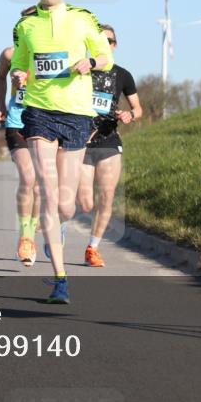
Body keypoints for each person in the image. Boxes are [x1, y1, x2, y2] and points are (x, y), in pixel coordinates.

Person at [11, 0, 112, 303]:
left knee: (66, 205)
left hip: (77, 113)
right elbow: (20, 60)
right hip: (39, 112)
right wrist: (18, 74)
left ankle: (53, 223)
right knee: (49, 194)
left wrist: (92, 62)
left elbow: (105, 56)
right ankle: (60, 278)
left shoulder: (84, 19)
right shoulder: (25, 26)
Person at [76, 24, 142, 267]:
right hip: (82, 141)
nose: (106, 44)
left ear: (115, 45)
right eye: (101, 40)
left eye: (110, 41)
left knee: (107, 196)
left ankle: (92, 248)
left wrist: (129, 115)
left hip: (109, 140)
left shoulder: (123, 75)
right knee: (85, 203)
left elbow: (138, 109)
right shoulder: (83, 70)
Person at [0, 45, 41, 266]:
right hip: (17, 123)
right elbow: (1, 77)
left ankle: (32, 230)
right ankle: (25, 237)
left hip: (45, 124)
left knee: (41, 185)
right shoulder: (9, 54)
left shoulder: (53, 49)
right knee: (28, 178)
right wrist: (2, 103)